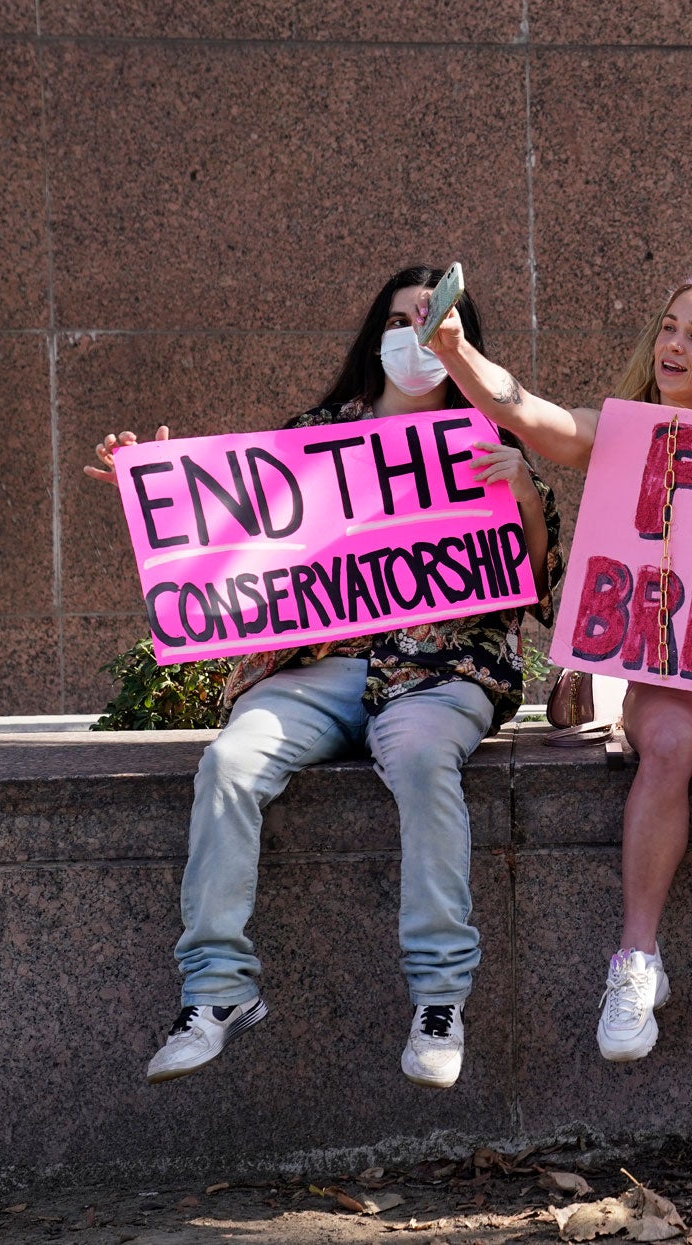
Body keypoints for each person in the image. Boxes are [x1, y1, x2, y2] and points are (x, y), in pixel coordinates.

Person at [86, 266, 562, 1090]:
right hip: (319, 671)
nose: (416, 331)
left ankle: (439, 1000)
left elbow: (543, 586)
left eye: (435, 317)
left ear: (463, 340)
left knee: (420, 759)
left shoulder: (493, 437)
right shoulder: (312, 434)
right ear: (374, 333)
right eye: (401, 316)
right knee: (230, 764)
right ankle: (216, 990)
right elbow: (235, 546)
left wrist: (520, 490)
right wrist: (158, 485)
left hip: (442, 671)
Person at [428, 278, 692, 1065]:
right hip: (680, 667)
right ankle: (637, 960)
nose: (673, 345)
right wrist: (456, 352)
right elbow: (528, 412)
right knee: (667, 744)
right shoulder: (629, 432)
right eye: (668, 328)